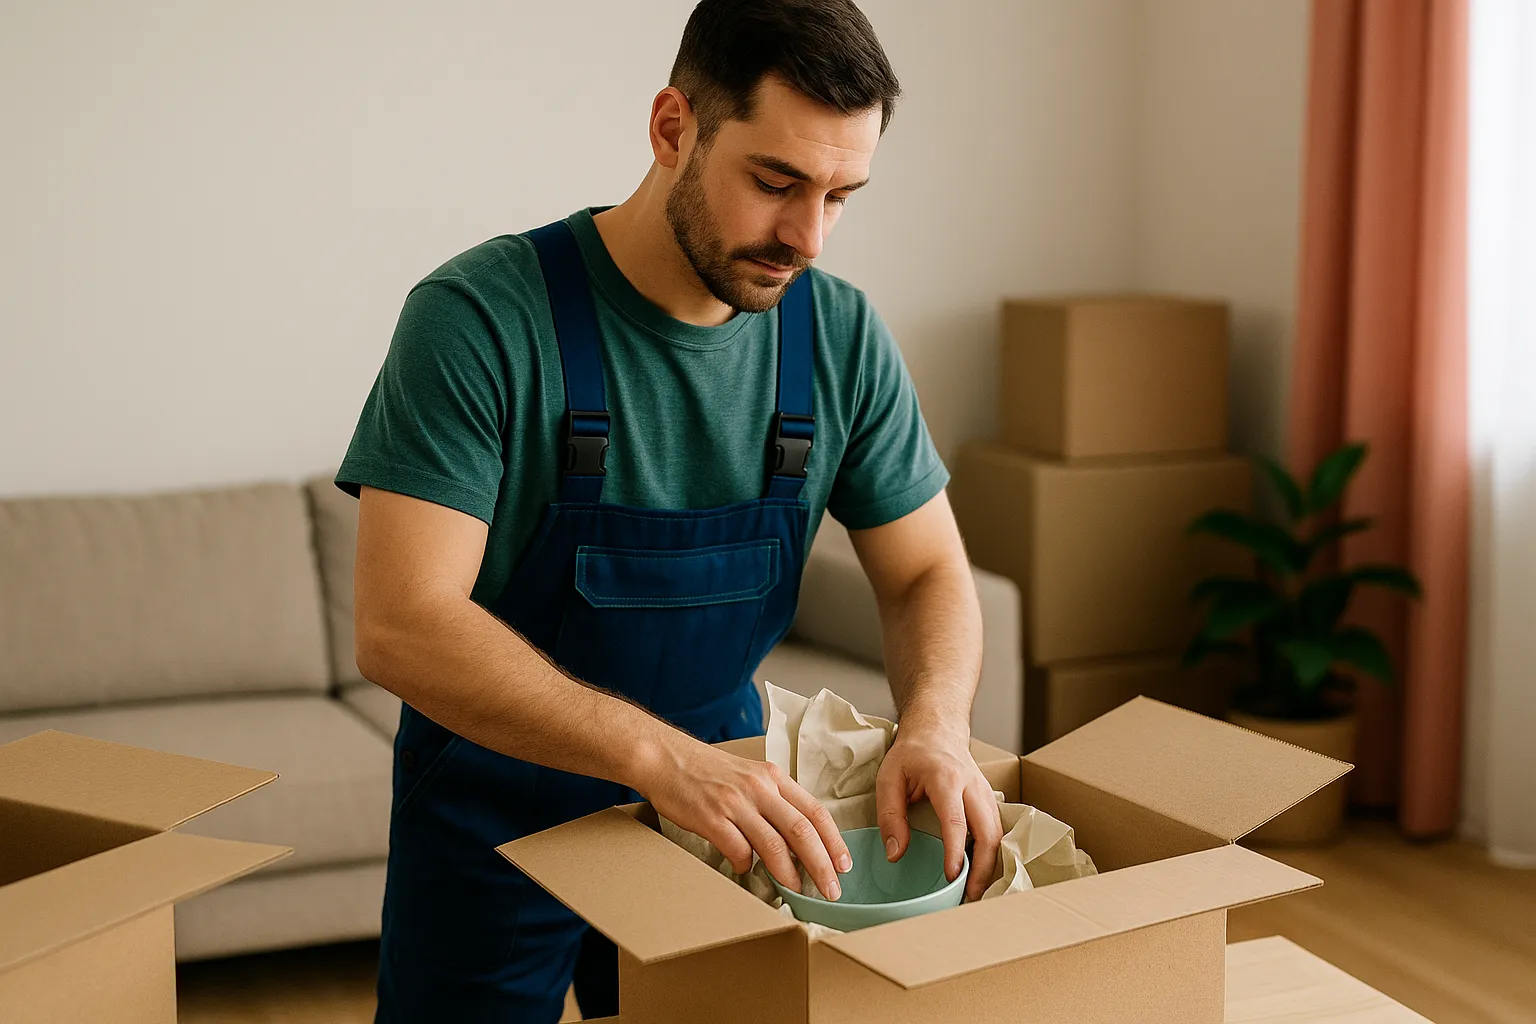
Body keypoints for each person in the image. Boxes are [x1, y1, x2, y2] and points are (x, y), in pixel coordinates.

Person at [338, 1, 1003, 1020]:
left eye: (839, 196)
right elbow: (401, 623)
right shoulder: (478, 319)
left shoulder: (839, 336)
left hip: (726, 817)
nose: (807, 237)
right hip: (490, 815)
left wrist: (939, 727)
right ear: (671, 128)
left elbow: (926, 571)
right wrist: (657, 759)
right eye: (775, 183)